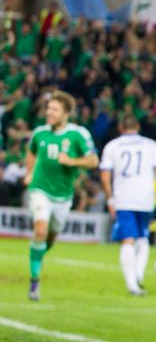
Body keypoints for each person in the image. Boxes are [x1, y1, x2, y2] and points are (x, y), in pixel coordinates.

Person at [24, 90, 99, 301]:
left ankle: (36, 255)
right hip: (40, 189)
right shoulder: (40, 133)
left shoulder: (78, 135)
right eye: (48, 108)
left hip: (63, 196)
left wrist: (72, 162)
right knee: (40, 229)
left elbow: (93, 161)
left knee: (51, 236)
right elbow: (31, 151)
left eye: (54, 109)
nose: (49, 112)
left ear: (66, 113)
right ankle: (34, 281)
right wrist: (29, 173)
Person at [99, 115, 156, 296]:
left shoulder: (112, 146)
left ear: (121, 127)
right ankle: (137, 276)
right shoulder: (150, 144)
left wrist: (110, 198)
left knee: (128, 239)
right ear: (137, 126)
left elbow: (105, 176)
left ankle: (132, 284)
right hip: (146, 198)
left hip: (123, 198)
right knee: (142, 236)